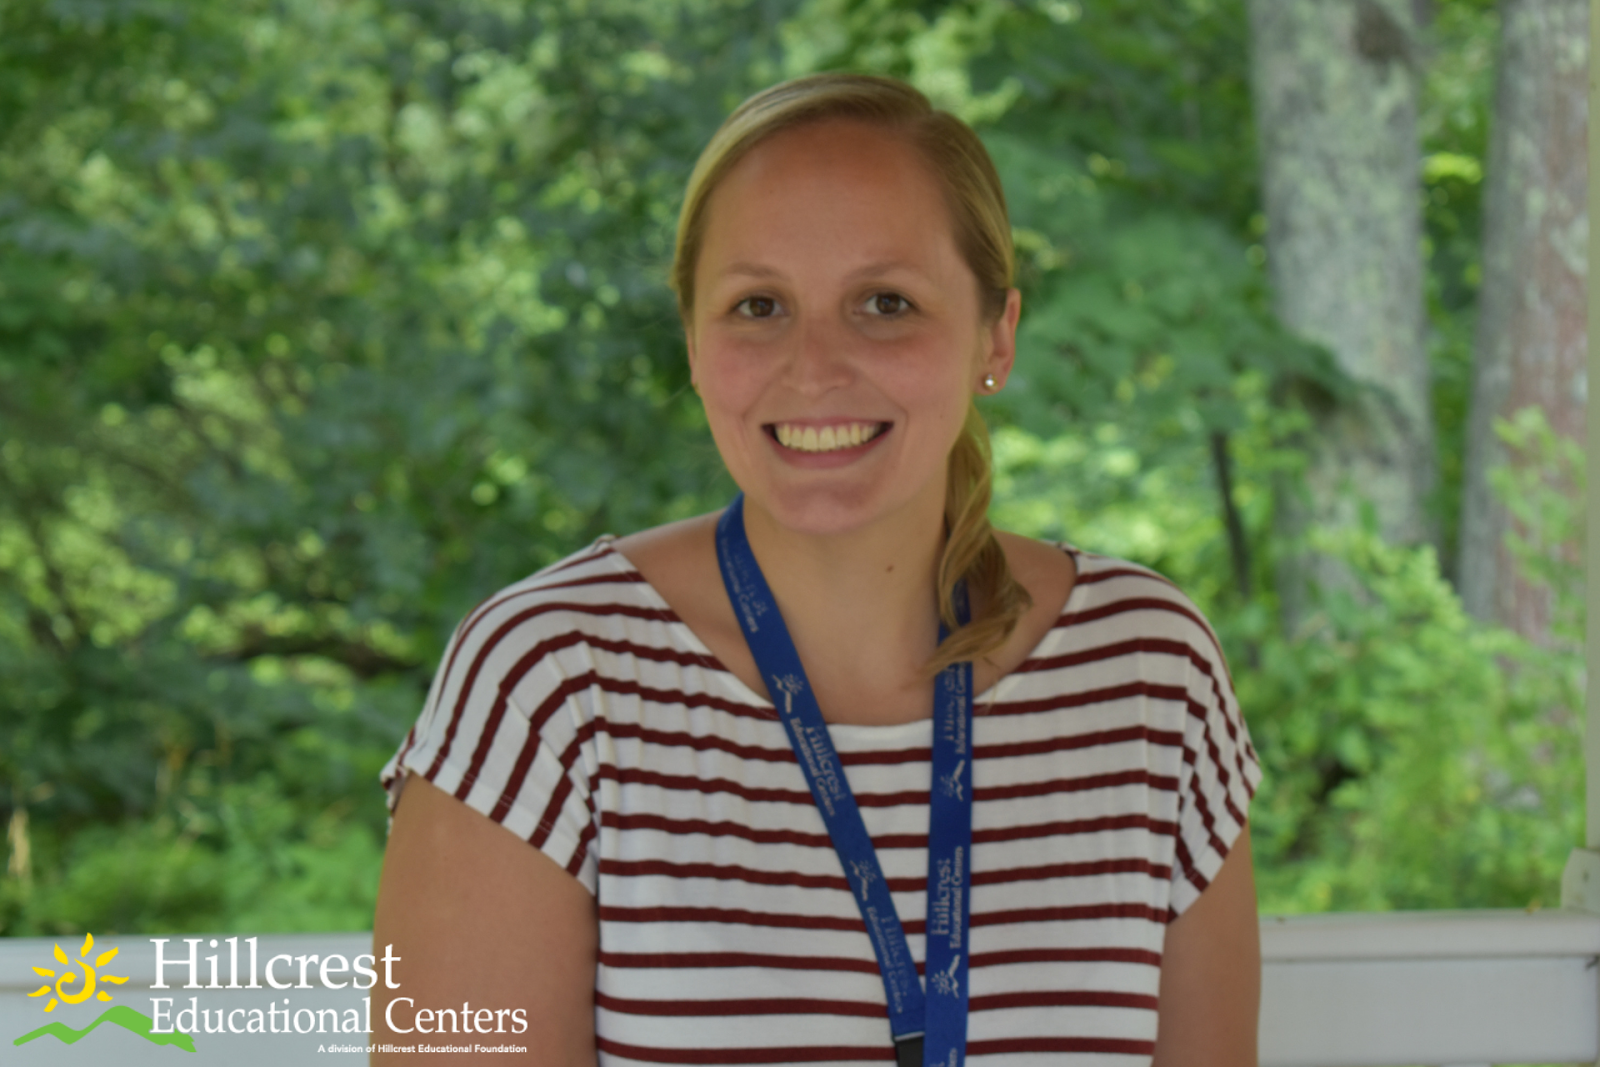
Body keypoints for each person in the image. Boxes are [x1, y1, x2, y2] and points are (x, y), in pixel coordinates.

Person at [372, 72, 1261, 1066]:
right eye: (759, 305)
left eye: (885, 302)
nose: (814, 366)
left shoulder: (1147, 675)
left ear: (996, 335)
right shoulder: (548, 683)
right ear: (693, 340)